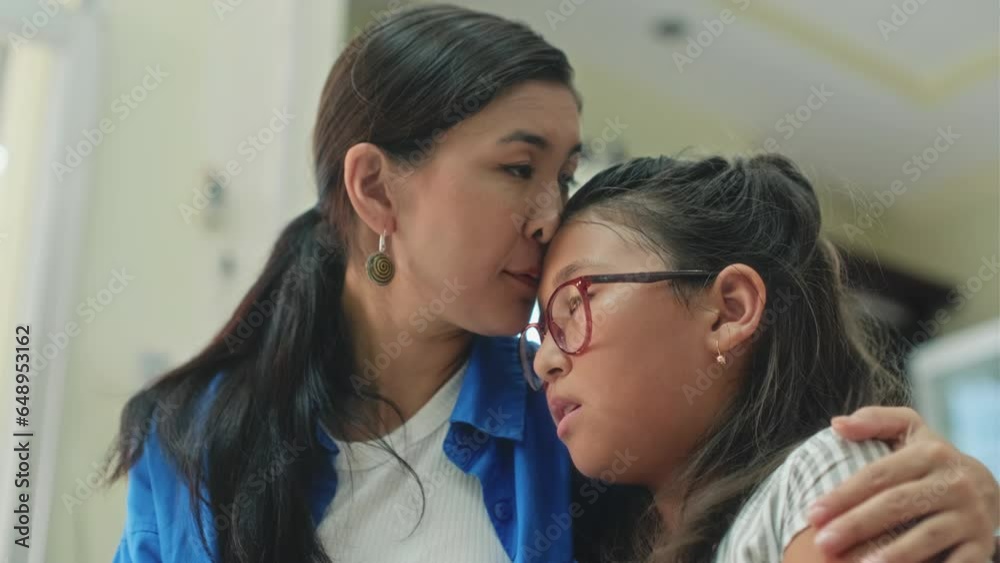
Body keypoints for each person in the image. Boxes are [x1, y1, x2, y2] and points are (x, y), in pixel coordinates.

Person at [109, 5, 999, 563]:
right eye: (517, 167)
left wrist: (964, 500)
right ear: (377, 187)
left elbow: (763, 471)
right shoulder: (190, 439)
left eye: (564, 175)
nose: (548, 213)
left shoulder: (581, 425)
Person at [526, 153, 999, 562]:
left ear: (730, 310)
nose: (545, 360)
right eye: (543, 329)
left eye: (576, 303)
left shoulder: (829, 474)